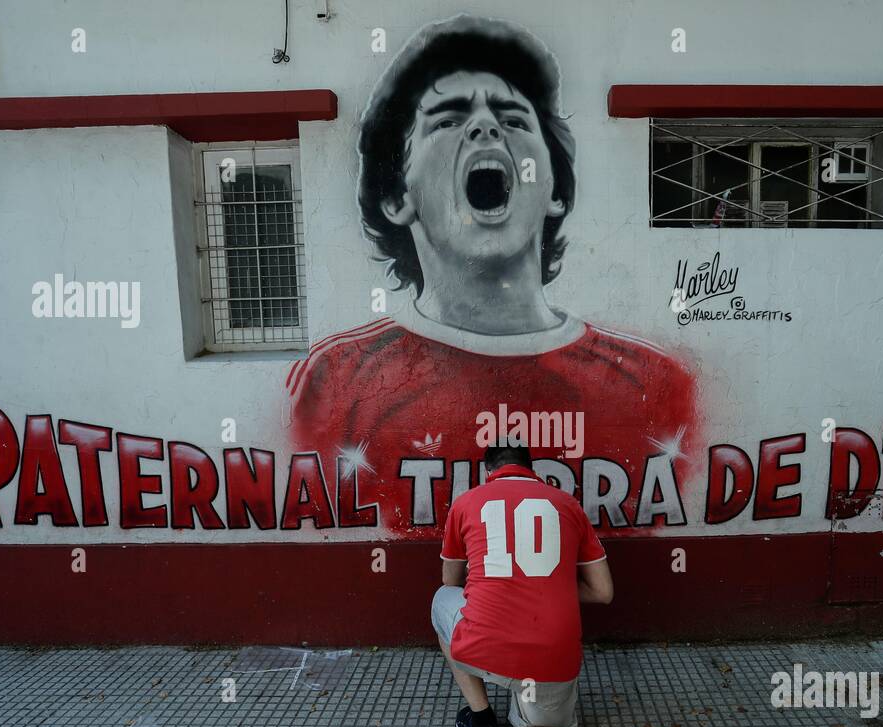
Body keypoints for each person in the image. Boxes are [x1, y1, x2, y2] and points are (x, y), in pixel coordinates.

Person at [286, 14, 702, 537]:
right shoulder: (336, 380)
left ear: (554, 189)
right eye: (447, 119)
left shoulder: (658, 383)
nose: (485, 127)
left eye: (513, 118)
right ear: (397, 197)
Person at [431, 442, 613, 727]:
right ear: (533, 470)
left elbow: (449, 582)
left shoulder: (467, 502)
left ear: (489, 473)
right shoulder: (566, 504)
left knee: (441, 603)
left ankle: (482, 724)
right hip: (549, 658)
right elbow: (603, 592)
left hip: (483, 647)